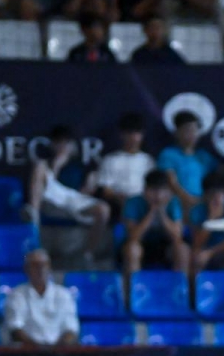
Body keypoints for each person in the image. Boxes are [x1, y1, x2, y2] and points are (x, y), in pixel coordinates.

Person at [26, 125, 111, 264]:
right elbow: (46, 185)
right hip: (50, 197)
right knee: (39, 166)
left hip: (73, 200)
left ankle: (87, 254)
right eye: (59, 143)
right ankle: (33, 216)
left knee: (103, 210)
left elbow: (83, 194)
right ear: (53, 145)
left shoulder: (81, 165)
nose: (63, 147)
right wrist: (57, 165)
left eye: (66, 143)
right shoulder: (46, 163)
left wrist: (90, 184)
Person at [4, 249, 80, 347]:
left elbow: (71, 329)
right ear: (27, 269)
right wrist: (37, 349)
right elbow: (15, 328)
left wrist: (57, 350)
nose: (40, 269)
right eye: (35, 265)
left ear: (49, 268)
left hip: (59, 353)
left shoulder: (63, 294)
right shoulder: (17, 295)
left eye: (44, 265)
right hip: (27, 353)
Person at [121, 169, 189, 275]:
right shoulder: (133, 202)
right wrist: (151, 212)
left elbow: (177, 235)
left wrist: (162, 213)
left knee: (182, 249)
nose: (158, 195)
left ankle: (180, 289)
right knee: (132, 249)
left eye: (162, 190)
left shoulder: (173, 202)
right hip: (142, 245)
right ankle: (133, 289)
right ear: (145, 190)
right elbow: (133, 236)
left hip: (165, 246)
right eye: (154, 190)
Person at [96, 112, 157, 217]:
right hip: (118, 204)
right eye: (129, 133)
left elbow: (154, 187)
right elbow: (105, 189)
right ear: (122, 134)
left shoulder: (149, 161)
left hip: (144, 205)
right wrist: (121, 199)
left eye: (137, 133)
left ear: (142, 135)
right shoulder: (110, 160)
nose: (133, 138)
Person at [158, 110, 217, 209]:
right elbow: (171, 182)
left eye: (195, 130)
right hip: (178, 204)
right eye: (187, 130)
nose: (192, 134)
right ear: (177, 133)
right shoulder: (168, 154)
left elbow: (216, 181)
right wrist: (189, 200)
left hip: (203, 205)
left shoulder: (204, 156)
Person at [190, 173, 224, 273]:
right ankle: (195, 287)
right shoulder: (197, 211)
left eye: (220, 193)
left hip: (223, 249)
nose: (217, 198)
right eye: (212, 194)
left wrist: (211, 252)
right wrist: (211, 218)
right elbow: (197, 243)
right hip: (204, 249)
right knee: (195, 255)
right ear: (205, 196)